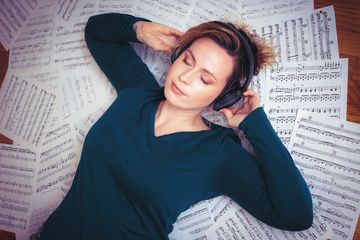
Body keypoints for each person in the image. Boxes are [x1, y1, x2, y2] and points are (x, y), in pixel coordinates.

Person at [36, 13, 313, 239]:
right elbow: (97, 32)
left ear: (224, 96)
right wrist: (139, 29)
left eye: (205, 79)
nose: (184, 78)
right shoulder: (137, 91)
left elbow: (296, 215)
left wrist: (255, 123)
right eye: (187, 60)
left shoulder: (219, 154)